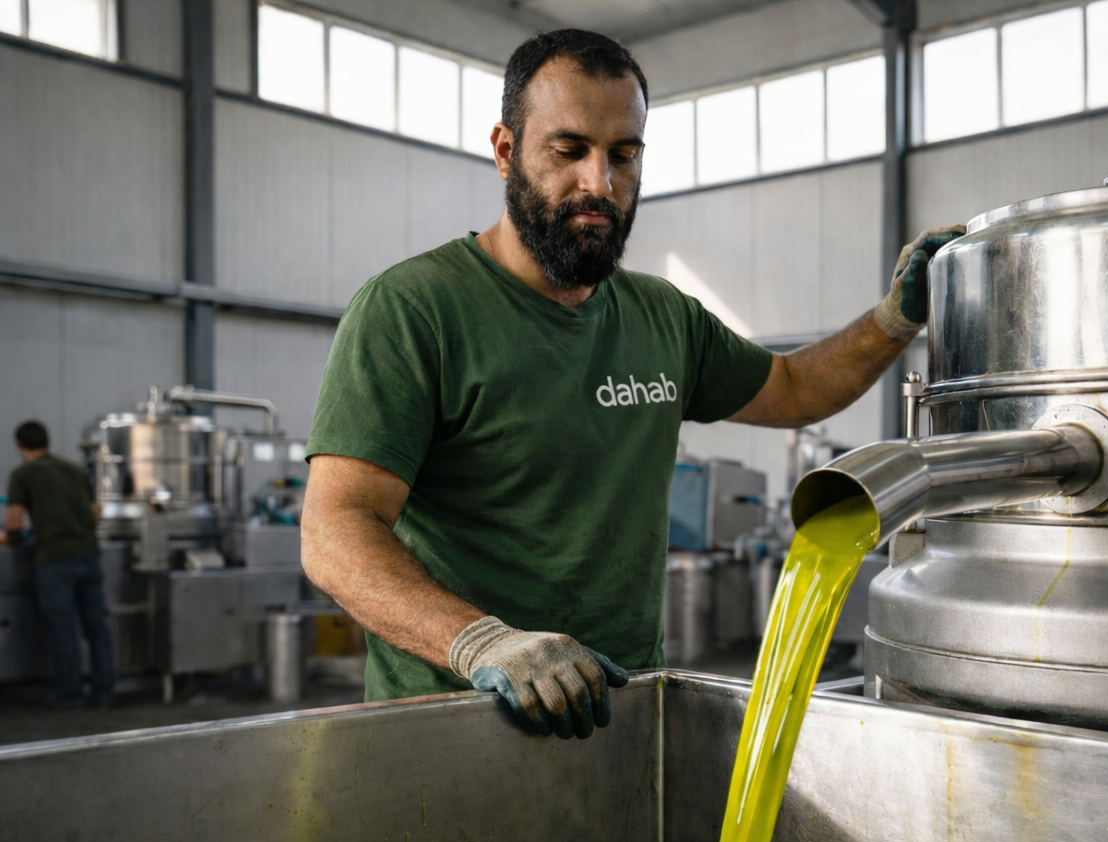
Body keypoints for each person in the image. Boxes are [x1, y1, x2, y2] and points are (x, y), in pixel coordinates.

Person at [301, 29, 962, 740]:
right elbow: (335, 531)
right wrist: (482, 642)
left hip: (623, 720)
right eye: (569, 150)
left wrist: (894, 320)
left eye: (624, 154)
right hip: (451, 731)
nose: (600, 184)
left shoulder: (661, 317)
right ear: (504, 151)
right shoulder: (414, 311)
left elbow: (796, 387)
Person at [5, 421, 115, 707]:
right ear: (48, 443)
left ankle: (70, 695)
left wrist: (17, 539)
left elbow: (13, 520)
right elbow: (95, 515)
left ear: (19, 445)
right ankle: (104, 691)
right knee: (96, 626)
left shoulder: (22, 474)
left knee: (62, 629)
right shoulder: (74, 470)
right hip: (89, 556)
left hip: (54, 560)